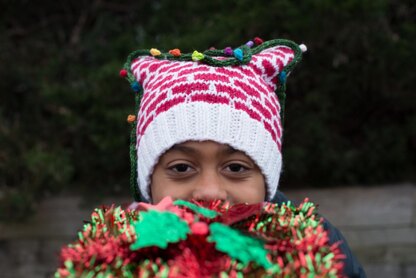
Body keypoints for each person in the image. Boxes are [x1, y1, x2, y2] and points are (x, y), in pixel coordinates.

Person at [121, 37, 366, 277]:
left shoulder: (319, 249)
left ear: (266, 182)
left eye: (236, 168)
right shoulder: (113, 255)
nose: (210, 193)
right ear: (149, 183)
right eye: (182, 168)